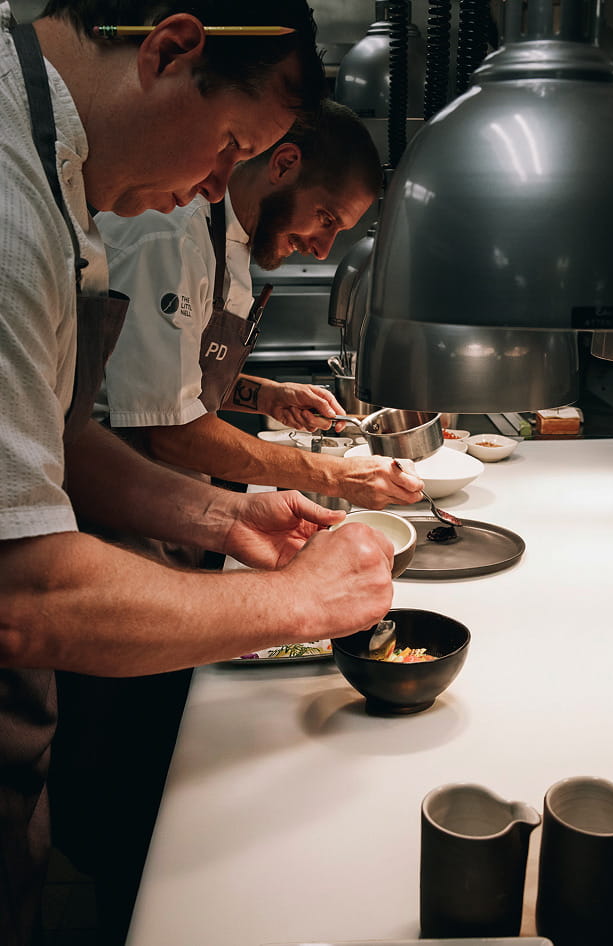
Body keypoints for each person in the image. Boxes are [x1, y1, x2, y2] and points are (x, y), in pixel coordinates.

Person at [0, 3, 397, 945]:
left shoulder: (56, 174)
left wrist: (223, 520)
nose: (212, 189)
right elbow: (18, 592)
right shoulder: (12, 210)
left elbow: (56, 436)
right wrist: (299, 605)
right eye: (227, 145)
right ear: (170, 50)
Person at [94, 99, 423, 511]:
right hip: (112, 507)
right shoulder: (170, 236)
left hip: (168, 498)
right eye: (326, 219)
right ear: (284, 164)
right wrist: (335, 474)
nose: (323, 251)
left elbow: (176, 379)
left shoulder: (230, 239)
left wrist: (266, 396)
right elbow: (165, 427)